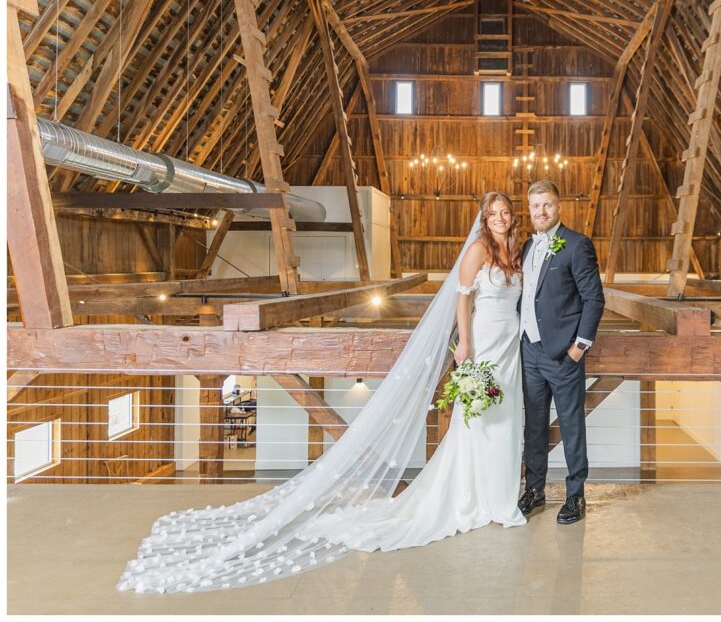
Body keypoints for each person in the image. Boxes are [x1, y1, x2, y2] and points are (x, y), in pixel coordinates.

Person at [118, 192, 527, 594]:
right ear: (483, 217)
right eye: (493, 213)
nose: (500, 218)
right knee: (477, 423)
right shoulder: (477, 250)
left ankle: (498, 496)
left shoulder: (514, 250)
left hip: (512, 348)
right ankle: (474, 497)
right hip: (485, 346)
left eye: (505, 212)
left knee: (506, 423)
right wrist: (467, 345)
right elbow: (462, 302)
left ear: (512, 216)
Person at [517, 180, 605, 524]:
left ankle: (575, 496)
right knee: (534, 427)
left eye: (547, 205)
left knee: (571, 427)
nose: (541, 211)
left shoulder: (576, 245)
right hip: (529, 353)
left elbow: (593, 298)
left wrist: (579, 347)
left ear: (559, 207)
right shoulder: (526, 246)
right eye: (536, 206)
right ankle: (535, 490)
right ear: (530, 210)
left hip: (564, 356)